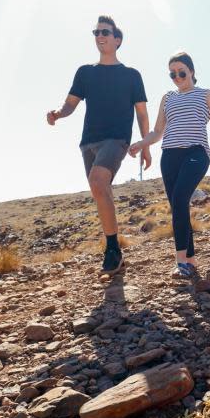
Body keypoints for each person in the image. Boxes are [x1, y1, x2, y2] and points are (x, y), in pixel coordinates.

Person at [46, 15, 150, 274]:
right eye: (96, 32)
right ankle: (116, 251)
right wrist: (59, 113)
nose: (99, 36)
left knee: (97, 182)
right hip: (89, 142)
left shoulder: (131, 75)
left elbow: (142, 113)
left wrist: (146, 144)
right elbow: (71, 103)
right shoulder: (85, 72)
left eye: (105, 32)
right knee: (100, 190)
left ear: (117, 40)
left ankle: (112, 248)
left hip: (117, 139)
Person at [130, 52, 210, 277]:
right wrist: (141, 143)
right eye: (172, 74)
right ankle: (191, 261)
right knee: (179, 206)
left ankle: (180, 262)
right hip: (169, 156)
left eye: (181, 72)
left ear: (192, 72)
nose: (177, 77)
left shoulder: (205, 94)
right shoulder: (168, 98)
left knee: (179, 198)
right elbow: (157, 132)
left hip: (197, 153)